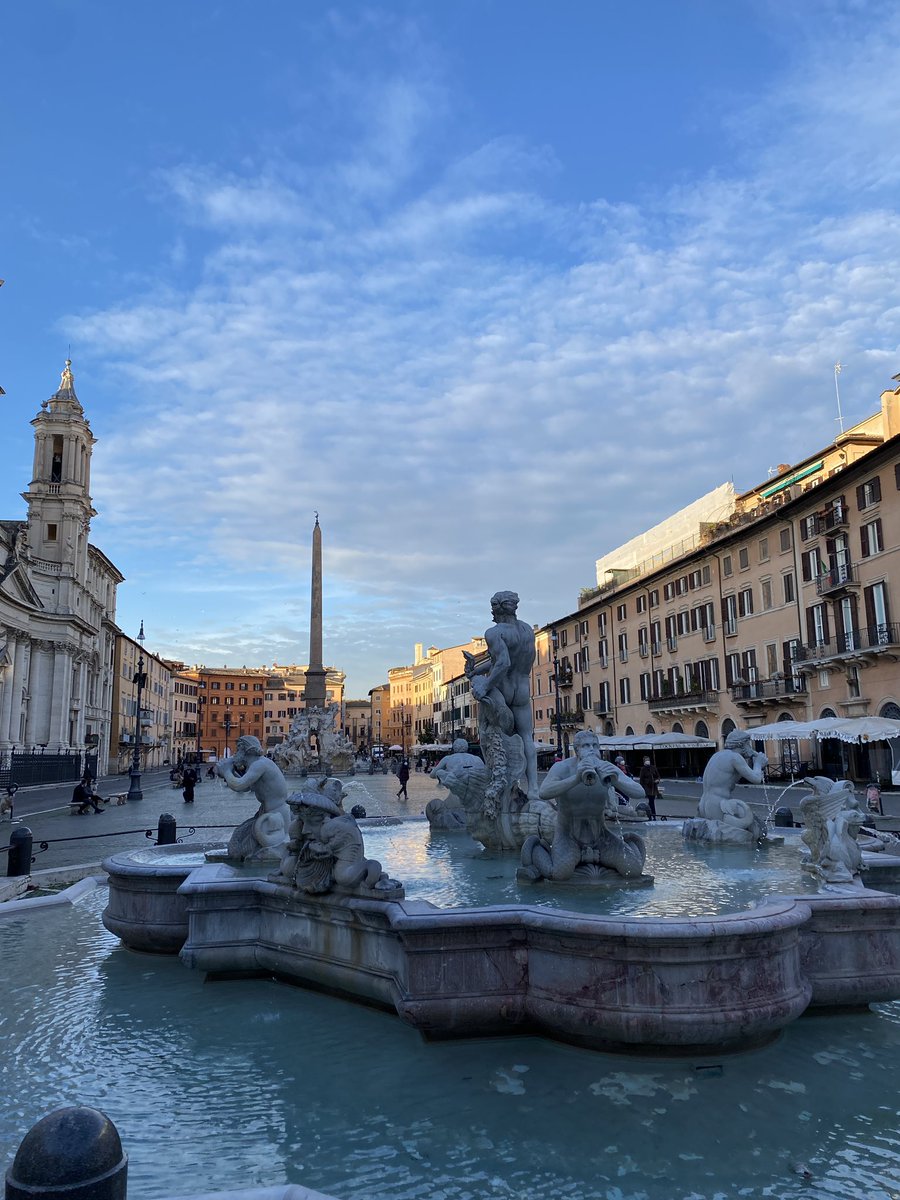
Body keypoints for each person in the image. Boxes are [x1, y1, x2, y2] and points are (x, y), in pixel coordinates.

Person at [463, 590, 539, 800]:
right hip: (522, 689)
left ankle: (499, 783)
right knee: (526, 738)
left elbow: (503, 663)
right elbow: (506, 661)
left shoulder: (494, 632)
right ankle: (533, 789)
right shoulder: (526, 631)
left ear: (496, 609)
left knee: (490, 733)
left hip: (503, 687)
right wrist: (477, 670)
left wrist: (484, 684)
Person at [638, 756, 660, 820]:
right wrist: (643, 788)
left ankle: (651, 815)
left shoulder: (653, 768)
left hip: (653, 787)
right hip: (647, 788)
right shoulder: (643, 769)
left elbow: (658, 776)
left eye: (648, 760)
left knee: (651, 802)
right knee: (651, 802)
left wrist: (657, 780)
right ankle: (652, 815)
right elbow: (641, 780)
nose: (648, 761)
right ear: (644, 762)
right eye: (646, 760)